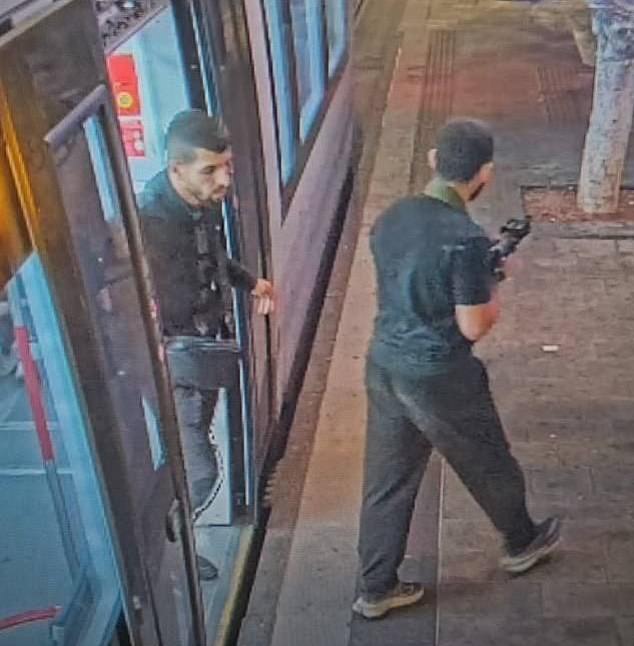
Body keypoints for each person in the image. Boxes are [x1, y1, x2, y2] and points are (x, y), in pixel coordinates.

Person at [353, 119, 560, 620]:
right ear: (484, 173)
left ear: (432, 160)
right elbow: (472, 326)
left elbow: (410, 275)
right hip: (439, 375)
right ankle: (521, 541)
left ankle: (376, 588)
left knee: (388, 479)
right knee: (488, 459)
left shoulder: (393, 216)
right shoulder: (463, 238)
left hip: (384, 363)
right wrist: (491, 286)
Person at [139, 110, 274, 581]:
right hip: (175, 364)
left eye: (227, 167)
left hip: (202, 351)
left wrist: (250, 282)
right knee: (200, 474)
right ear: (176, 171)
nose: (224, 181)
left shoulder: (200, 201)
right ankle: (165, 554)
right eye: (211, 171)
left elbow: (213, 258)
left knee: (191, 458)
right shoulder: (149, 226)